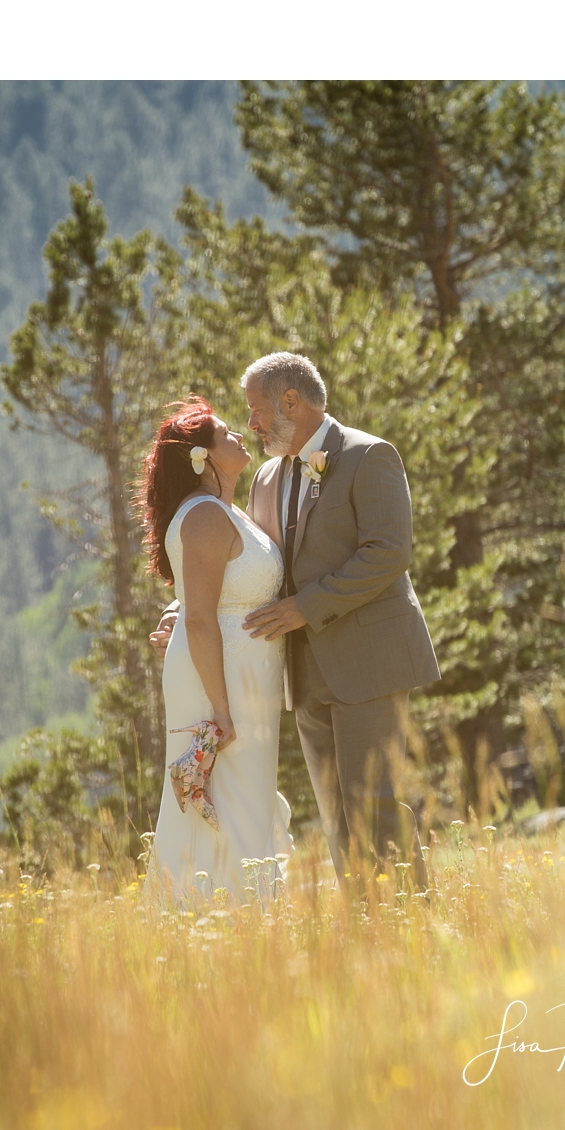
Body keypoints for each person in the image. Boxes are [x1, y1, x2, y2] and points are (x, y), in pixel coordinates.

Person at [152, 352, 441, 894]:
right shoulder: (264, 478)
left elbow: (387, 553)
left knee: (374, 801)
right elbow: (250, 569)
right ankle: (366, 926)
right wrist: (183, 610)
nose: (253, 423)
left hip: (369, 663)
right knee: (335, 814)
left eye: (258, 410)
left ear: (292, 401)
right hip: (303, 673)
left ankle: (411, 923)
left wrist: (303, 607)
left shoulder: (369, 455)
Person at [141, 397, 290, 901]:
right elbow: (201, 619)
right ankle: (219, 913)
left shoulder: (225, 511)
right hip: (216, 682)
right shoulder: (204, 517)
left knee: (246, 794)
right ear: (201, 457)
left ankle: (245, 911)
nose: (239, 436)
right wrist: (222, 709)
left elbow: (199, 600)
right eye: (226, 434)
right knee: (222, 801)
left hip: (246, 680)